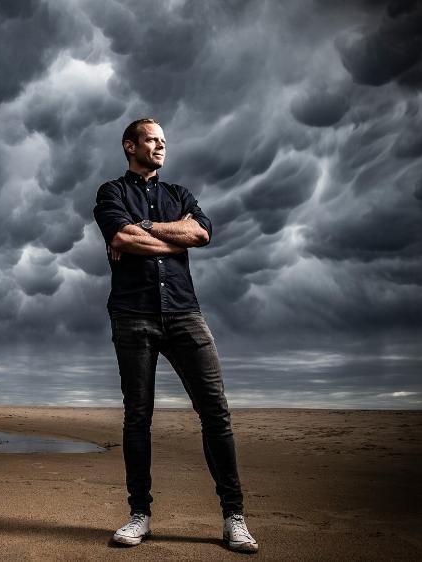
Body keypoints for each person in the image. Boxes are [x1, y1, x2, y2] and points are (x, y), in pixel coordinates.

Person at [92, 118, 258, 553]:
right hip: (132, 315)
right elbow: (121, 236)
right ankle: (139, 514)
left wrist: (143, 229)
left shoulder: (180, 194)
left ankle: (233, 516)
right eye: (152, 139)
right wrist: (168, 235)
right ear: (130, 146)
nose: (161, 145)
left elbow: (201, 233)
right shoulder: (111, 192)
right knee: (138, 417)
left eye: (165, 140)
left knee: (215, 411)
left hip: (185, 312)